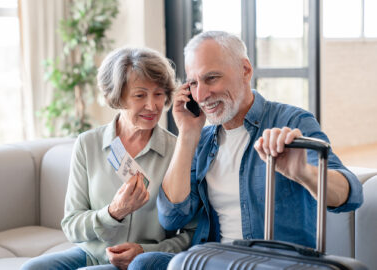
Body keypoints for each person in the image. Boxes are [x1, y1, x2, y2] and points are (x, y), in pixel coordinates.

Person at [129, 31, 364, 269]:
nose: (201, 95)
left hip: (274, 263)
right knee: (146, 264)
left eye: (211, 78)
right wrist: (187, 135)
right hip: (215, 259)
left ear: (245, 70)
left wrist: (303, 171)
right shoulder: (203, 140)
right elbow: (172, 217)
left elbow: (351, 195)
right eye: (193, 83)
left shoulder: (291, 122)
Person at [20, 47, 193, 270]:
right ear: (117, 97)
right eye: (140, 95)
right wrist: (112, 213)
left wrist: (145, 251)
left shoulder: (176, 151)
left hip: (142, 262)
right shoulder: (88, 143)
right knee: (31, 269)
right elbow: (71, 225)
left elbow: (192, 234)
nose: (152, 106)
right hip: (91, 254)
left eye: (159, 94)